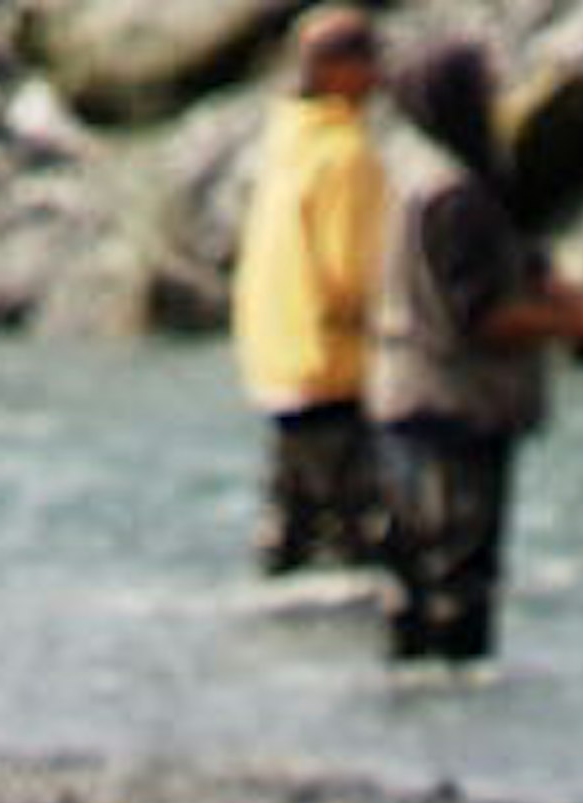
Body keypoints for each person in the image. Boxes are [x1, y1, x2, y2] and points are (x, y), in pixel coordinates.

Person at [365, 34, 583, 666]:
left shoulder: (412, 173)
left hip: (403, 397)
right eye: (486, 90)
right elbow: (484, 318)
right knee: (458, 584)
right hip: (453, 407)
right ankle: (456, 734)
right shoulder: (458, 193)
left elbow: (519, 267)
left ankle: (411, 728)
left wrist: (579, 307)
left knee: (413, 581)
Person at [231, 7, 389, 581]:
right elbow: (350, 272)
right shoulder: (344, 153)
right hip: (335, 364)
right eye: (368, 57)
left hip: (278, 361)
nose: (378, 73)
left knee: (287, 535)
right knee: (358, 538)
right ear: (337, 69)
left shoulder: (285, 141)